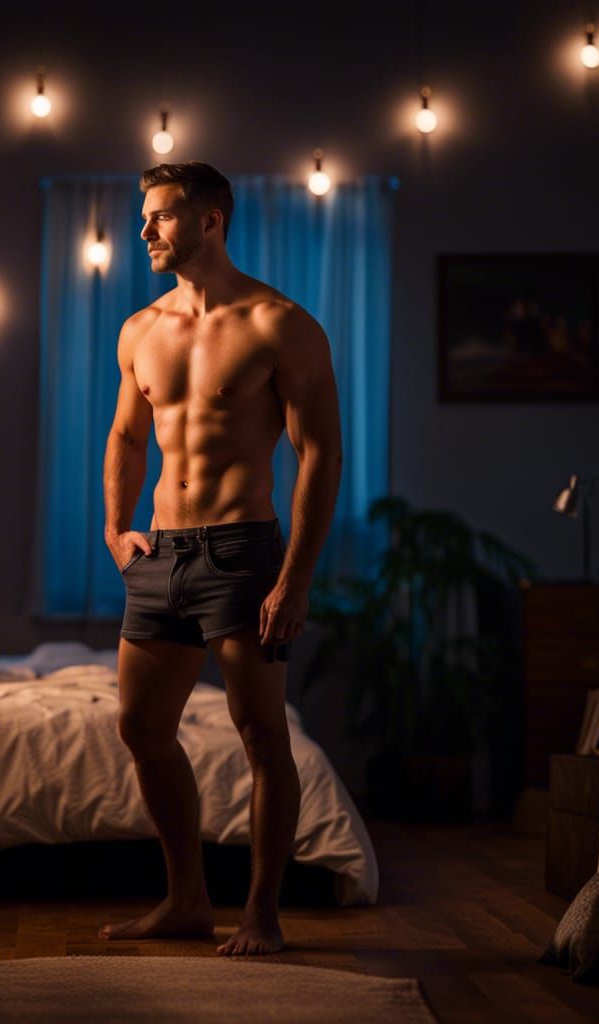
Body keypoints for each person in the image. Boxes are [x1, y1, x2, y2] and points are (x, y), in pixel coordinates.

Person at [99, 162, 343, 956]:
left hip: (244, 553)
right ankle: (187, 901)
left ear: (210, 221)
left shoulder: (281, 324)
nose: (145, 232)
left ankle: (262, 916)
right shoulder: (141, 329)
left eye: (162, 217)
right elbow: (128, 437)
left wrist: (295, 576)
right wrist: (115, 529)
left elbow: (320, 455)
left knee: (262, 734)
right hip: (162, 554)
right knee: (141, 727)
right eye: (145, 218)